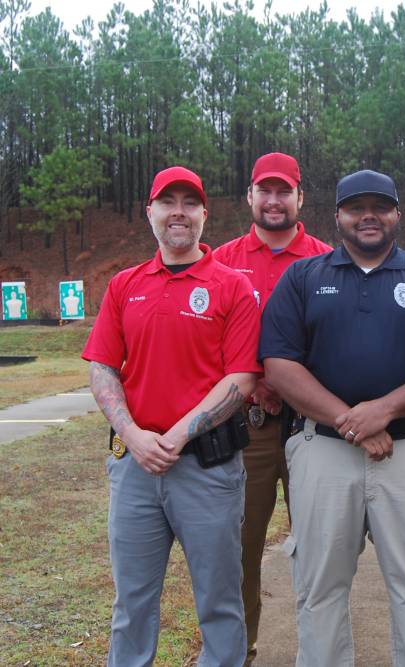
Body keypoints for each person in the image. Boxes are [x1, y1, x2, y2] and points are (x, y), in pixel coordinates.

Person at [259, 169, 405, 667]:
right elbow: (279, 364)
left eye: (380, 207)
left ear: (397, 214)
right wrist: (349, 421)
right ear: (337, 215)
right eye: (356, 207)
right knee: (318, 592)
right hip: (323, 451)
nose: (368, 216)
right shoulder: (303, 278)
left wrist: (383, 410)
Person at [82, 166, 262, 666]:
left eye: (189, 203)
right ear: (150, 212)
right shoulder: (124, 286)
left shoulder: (232, 287)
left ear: (205, 214)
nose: (178, 212)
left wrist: (174, 437)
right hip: (134, 469)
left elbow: (241, 379)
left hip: (207, 469)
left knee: (220, 604)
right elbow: (101, 368)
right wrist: (134, 436)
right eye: (168, 202)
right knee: (131, 606)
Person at [214, 152, 332, 665]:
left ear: (300, 198)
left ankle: (320, 652)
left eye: (284, 191)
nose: (274, 200)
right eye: (265, 190)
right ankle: (242, 651)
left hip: (315, 425)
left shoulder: (329, 258)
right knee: (240, 550)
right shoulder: (219, 260)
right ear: (250, 197)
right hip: (250, 427)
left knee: (323, 550)